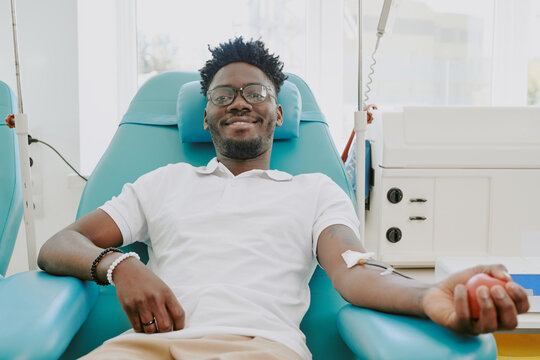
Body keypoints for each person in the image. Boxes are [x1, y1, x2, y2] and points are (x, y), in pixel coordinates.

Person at [37, 37, 529, 360]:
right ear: (205, 117)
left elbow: (356, 270)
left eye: (256, 91)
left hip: (259, 349)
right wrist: (119, 265)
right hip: (145, 350)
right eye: (221, 95)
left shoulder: (315, 192)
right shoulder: (163, 182)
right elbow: (60, 244)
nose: (239, 102)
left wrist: (428, 296)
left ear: (278, 112)